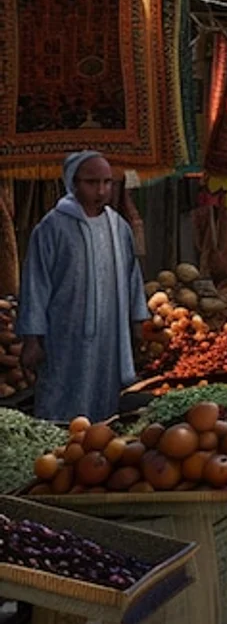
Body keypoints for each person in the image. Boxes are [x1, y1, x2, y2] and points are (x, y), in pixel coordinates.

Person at [17, 151, 149, 422]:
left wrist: (138, 322)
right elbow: (36, 284)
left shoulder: (118, 227)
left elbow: (132, 276)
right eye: (91, 182)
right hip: (65, 336)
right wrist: (32, 338)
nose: (101, 190)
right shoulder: (52, 227)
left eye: (107, 182)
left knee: (106, 405)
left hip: (110, 336)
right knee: (62, 400)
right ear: (73, 183)